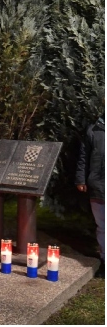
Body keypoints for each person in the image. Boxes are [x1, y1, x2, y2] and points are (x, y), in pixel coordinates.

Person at [75, 115, 104, 270]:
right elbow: (84, 157)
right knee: (103, 226)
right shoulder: (93, 130)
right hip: (98, 186)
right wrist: (81, 179)